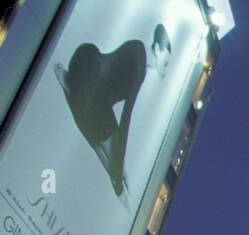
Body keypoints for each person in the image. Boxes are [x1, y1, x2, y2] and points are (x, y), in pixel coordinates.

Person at [56, 23, 172, 204]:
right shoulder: (139, 65)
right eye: (166, 63)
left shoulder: (137, 49)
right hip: (90, 80)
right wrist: (119, 165)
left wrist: (120, 159)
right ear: (157, 49)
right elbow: (127, 116)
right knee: (110, 152)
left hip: (86, 66)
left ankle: (71, 87)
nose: (165, 71)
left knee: (110, 150)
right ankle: (119, 188)